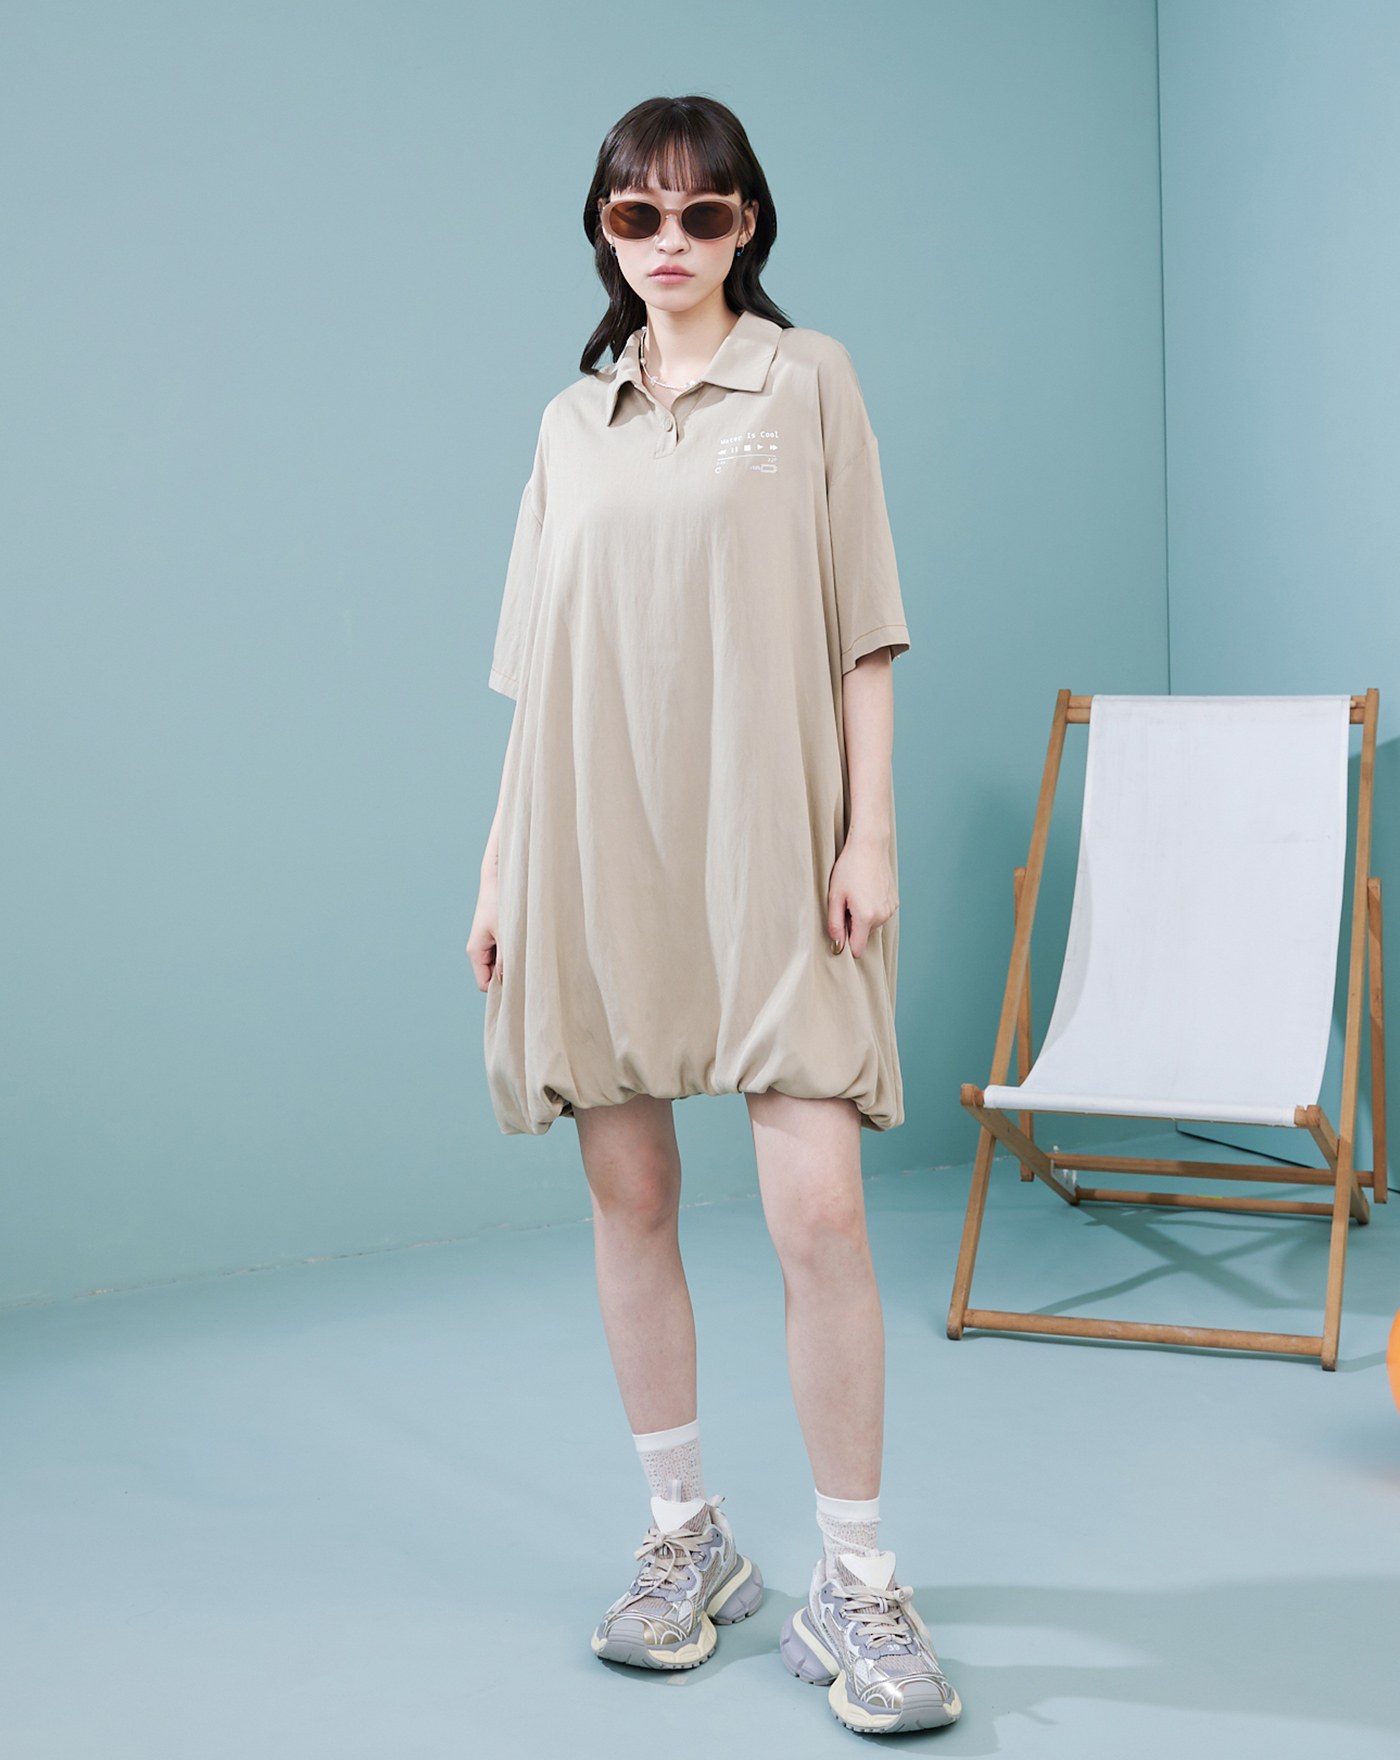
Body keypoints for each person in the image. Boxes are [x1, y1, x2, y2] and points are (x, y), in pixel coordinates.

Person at [465, 94, 962, 1736]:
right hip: (592, 845)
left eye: (702, 214)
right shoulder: (568, 423)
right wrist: (498, 872)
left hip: (773, 842)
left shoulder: (808, 381)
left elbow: (864, 626)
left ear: (749, 225)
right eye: (638, 215)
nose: (669, 243)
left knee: (819, 1215)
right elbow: (538, 677)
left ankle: (857, 1578)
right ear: (603, 231)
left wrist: (868, 832)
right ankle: (686, 1536)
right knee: (631, 1198)